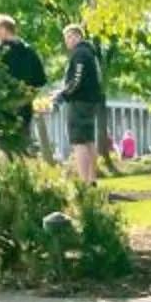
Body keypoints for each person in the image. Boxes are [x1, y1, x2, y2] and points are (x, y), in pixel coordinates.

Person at [49, 23, 107, 184]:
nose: (67, 41)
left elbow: (77, 80)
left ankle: (84, 182)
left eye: (70, 37)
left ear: (78, 36)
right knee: (89, 140)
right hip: (91, 101)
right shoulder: (91, 53)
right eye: (66, 37)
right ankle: (92, 179)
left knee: (78, 141)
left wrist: (62, 95)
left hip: (80, 102)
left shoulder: (80, 54)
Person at [0, 16, 48, 152]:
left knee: (1, 141)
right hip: (24, 103)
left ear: (3, 29)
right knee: (22, 140)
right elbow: (41, 80)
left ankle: (3, 169)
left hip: (0, 103)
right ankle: (21, 168)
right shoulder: (29, 51)